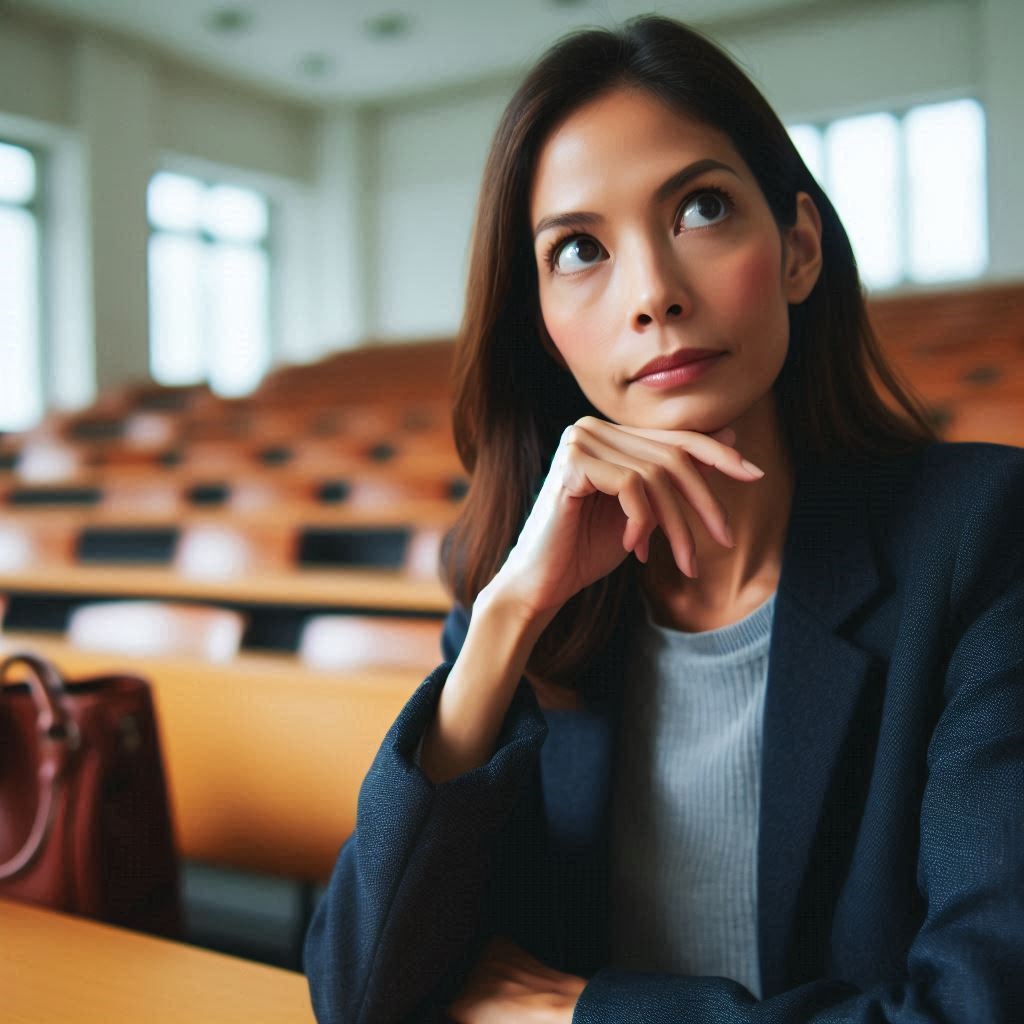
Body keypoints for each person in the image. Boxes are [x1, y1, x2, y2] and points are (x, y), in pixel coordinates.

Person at [304, 16, 1024, 1023]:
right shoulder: (530, 602)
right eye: (579, 249)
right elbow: (360, 992)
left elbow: (980, 1005)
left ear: (798, 249)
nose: (651, 294)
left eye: (700, 207)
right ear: (545, 333)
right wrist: (506, 616)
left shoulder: (980, 537)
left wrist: (579, 1012)